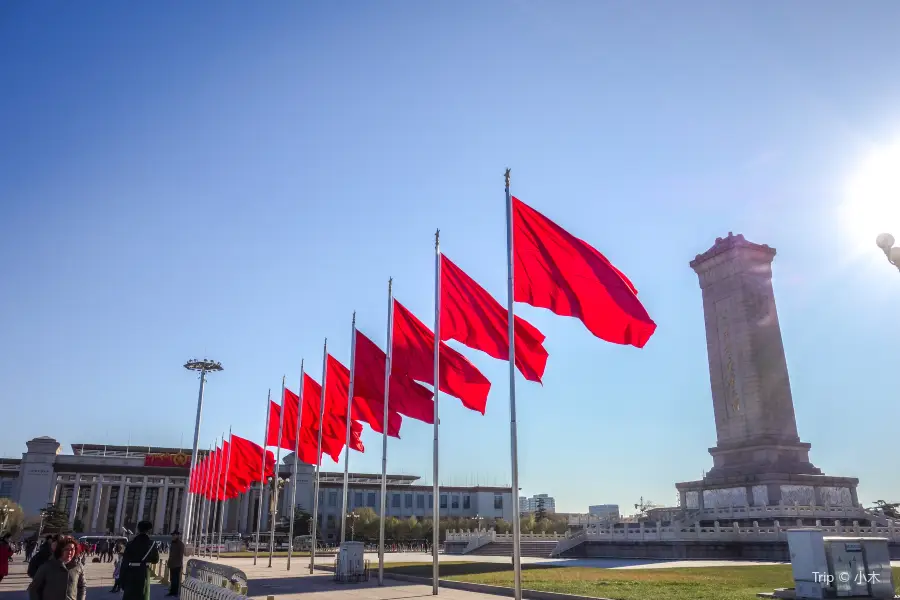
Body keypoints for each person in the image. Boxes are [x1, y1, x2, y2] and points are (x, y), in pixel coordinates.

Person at [27, 535, 86, 600]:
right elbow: (34, 588)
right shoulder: (47, 566)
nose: (70, 552)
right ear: (61, 550)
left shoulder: (78, 566)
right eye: (66, 549)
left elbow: (82, 587)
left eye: (72, 549)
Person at [118, 521, 159, 600]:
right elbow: (155, 560)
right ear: (149, 530)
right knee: (142, 595)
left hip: (130, 572)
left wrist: (121, 579)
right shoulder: (152, 544)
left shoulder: (130, 543)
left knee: (129, 596)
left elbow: (124, 563)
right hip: (143, 573)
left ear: (138, 529)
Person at [165, 530, 185, 597]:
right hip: (172, 564)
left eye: (174, 535)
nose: (172, 536)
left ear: (177, 535)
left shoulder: (180, 544)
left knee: (175, 579)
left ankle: (175, 592)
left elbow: (181, 555)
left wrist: (180, 564)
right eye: (172, 535)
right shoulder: (173, 543)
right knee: (172, 578)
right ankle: (172, 591)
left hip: (177, 564)